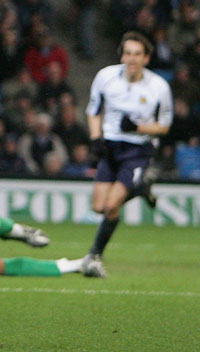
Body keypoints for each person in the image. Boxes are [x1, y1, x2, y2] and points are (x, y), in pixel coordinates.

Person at [82, 32, 172, 277]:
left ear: (146, 58)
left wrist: (138, 128)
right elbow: (93, 110)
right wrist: (95, 139)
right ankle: (141, 187)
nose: (131, 59)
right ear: (122, 55)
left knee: (112, 205)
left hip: (137, 149)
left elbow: (164, 125)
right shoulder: (106, 77)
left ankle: (94, 255)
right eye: (128, 53)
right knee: (99, 206)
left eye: (137, 54)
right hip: (110, 147)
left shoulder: (159, 87)